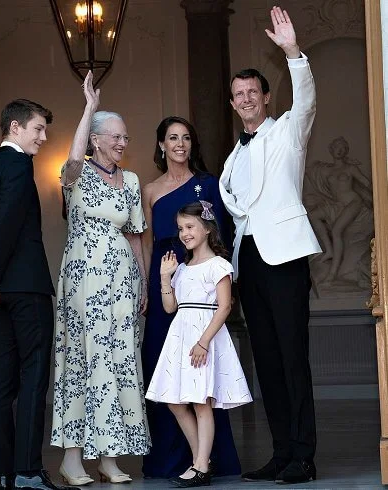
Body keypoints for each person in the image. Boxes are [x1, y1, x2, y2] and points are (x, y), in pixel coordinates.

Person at [219, 7, 321, 484]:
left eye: (251, 92)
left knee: (292, 358)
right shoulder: (232, 156)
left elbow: (306, 101)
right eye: (237, 95)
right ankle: (282, 453)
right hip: (250, 263)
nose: (245, 100)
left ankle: (304, 456)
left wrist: (291, 52)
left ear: (264, 96)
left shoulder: (287, 133)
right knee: (267, 361)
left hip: (284, 257)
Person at [0, 99, 75, 490]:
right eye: (38, 130)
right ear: (15, 127)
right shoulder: (16, 165)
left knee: (3, 382)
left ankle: (2, 473)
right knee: (32, 378)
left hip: (0, 293)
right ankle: (28, 472)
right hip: (25, 288)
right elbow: (8, 225)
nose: (44, 138)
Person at [51, 71, 150, 486]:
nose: (123, 143)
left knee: (118, 363)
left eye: (125, 137)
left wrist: (144, 283)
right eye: (115, 137)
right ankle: (72, 459)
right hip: (84, 283)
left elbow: (135, 235)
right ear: (95, 140)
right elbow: (72, 162)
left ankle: (109, 457)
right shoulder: (75, 176)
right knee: (81, 362)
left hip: (122, 282)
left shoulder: (130, 181)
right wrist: (89, 107)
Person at [141, 116, 240, 479]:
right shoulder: (149, 190)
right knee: (164, 366)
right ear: (162, 145)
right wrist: (151, 284)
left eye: (185, 138)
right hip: (166, 276)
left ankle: (208, 459)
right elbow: (148, 243)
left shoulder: (208, 184)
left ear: (191, 145)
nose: (180, 143)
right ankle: (167, 460)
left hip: (202, 277)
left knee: (202, 373)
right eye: (172, 137)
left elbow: (221, 235)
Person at [146, 201, 252, 488]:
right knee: (174, 401)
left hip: (204, 336)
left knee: (201, 401)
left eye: (190, 227)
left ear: (207, 229)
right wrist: (164, 277)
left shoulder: (219, 265)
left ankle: (201, 466)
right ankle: (200, 460)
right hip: (180, 336)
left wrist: (204, 342)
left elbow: (225, 306)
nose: (184, 233)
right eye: (181, 228)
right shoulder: (181, 268)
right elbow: (170, 307)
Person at [305, 136, 373, 283]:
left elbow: (366, 183)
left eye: (343, 147)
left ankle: (333, 273)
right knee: (313, 215)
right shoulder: (326, 169)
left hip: (353, 202)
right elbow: (311, 171)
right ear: (331, 149)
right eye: (337, 147)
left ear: (346, 151)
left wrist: (375, 197)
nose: (339, 150)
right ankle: (329, 250)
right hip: (336, 204)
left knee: (336, 231)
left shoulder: (350, 168)